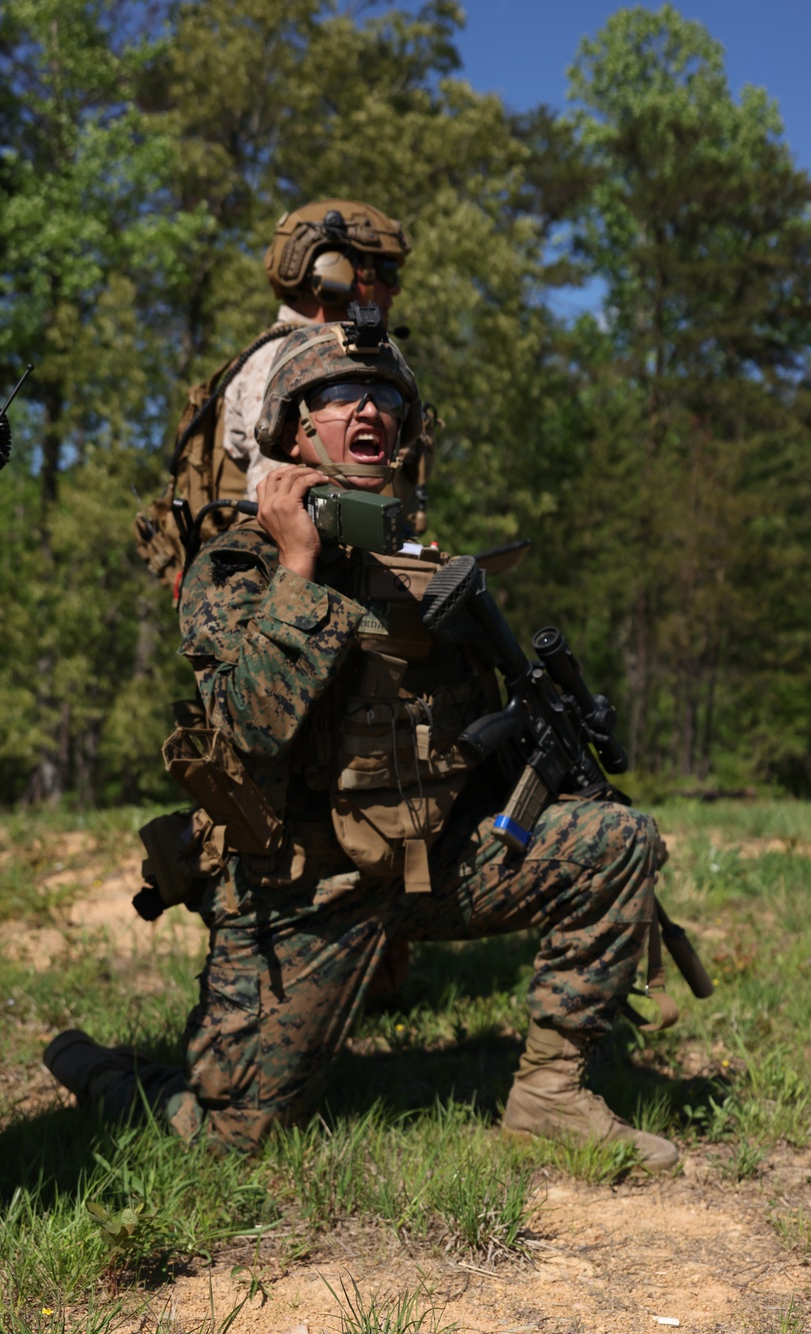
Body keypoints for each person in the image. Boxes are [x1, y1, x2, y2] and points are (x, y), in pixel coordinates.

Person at [46, 309, 678, 1172]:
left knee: (616, 843)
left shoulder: (427, 565)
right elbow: (252, 726)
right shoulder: (238, 566)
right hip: (304, 885)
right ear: (296, 428)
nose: (369, 410)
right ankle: (101, 1071)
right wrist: (300, 566)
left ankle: (550, 1097)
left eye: (385, 396)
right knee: (230, 1141)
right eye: (342, 395)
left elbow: (467, 738)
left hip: (431, 865)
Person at [134, 199, 417, 587]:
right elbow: (282, 513)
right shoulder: (283, 365)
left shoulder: (346, 363)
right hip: (274, 601)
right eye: (384, 271)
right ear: (334, 271)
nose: (394, 288)